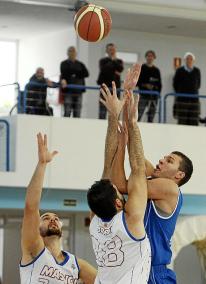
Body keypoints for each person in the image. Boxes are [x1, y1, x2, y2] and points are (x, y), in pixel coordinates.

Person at [111, 111, 193, 282]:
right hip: (135, 268)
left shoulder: (170, 188)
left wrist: (133, 122)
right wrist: (127, 107)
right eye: (164, 157)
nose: (162, 160)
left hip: (153, 273)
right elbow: (125, 176)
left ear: (179, 175)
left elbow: (131, 171)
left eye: (169, 160)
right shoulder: (154, 180)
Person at [87, 64, 151, 283]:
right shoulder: (129, 220)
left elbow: (111, 166)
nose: (117, 185)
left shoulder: (95, 222)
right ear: (117, 203)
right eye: (117, 190)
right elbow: (138, 168)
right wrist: (129, 120)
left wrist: (115, 116)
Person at [20, 133, 96, 284]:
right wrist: (42, 164)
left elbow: (104, 280)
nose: (52, 219)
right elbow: (31, 207)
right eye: (46, 218)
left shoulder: (76, 265)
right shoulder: (34, 249)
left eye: (56, 218)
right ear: (38, 226)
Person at [60, 46, 89, 118]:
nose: (72, 53)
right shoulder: (63, 63)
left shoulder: (80, 64)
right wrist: (77, 72)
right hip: (68, 91)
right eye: (70, 51)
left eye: (73, 51)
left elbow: (86, 74)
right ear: (67, 53)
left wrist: (74, 73)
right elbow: (64, 72)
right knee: (67, 111)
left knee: (77, 112)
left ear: (76, 53)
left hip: (78, 91)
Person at [97, 43, 124, 119]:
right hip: (104, 88)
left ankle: (115, 127)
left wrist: (113, 61)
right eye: (110, 49)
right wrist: (113, 67)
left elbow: (120, 69)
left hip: (115, 89)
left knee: (115, 110)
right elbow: (104, 70)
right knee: (102, 110)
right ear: (106, 51)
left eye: (113, 49)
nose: (112, 51)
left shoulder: (119, 61)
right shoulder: (102, 61)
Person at [173, 52, 201, 125]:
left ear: (193, 60)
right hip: (182, 100)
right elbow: (175, 84)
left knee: (194, 121)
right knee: (182, 121)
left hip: (194, 100)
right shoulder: (179, 70)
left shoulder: (197, 71)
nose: (189, 60)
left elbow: (198, 85)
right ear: (185, 60)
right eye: (187, 59)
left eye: (191, 59)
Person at [137, 50, 162, 122]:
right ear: (146, 57)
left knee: (151, 116)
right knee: (139, 114)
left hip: (153, 97)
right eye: (148, 56)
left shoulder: (156, 70)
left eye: (151, 56)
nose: (150, 58)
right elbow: (137, 81)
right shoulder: (142, 68)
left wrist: (157, 93)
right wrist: (145, 85)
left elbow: (159, 84)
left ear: (154, 58)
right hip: (143, 95)